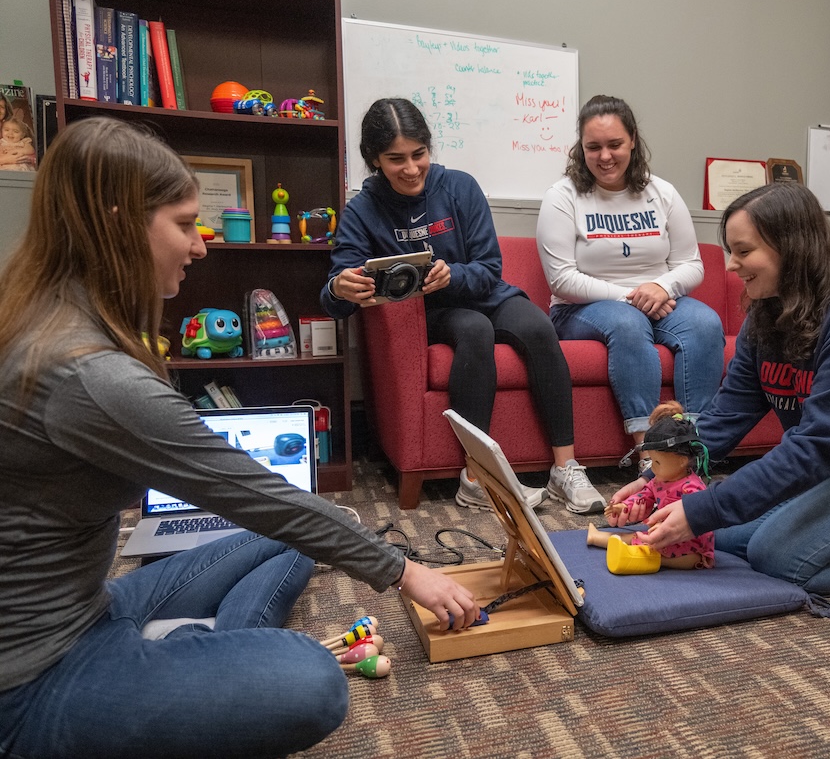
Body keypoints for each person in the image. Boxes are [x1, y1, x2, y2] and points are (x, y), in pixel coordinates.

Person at [0, 117, 481, 759]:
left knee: (301, 534)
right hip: (34, 680)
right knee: (313, 679)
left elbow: (272, 509)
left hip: (93, 608)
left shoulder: (51, 318)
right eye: (183, 223)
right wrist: (403, 571)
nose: (200, 245)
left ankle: (188, 661)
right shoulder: (87, 372)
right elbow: (254, 490)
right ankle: (190, 666)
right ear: (118, 224)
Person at [608, 182, 830, 595]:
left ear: (793, 248)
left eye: (744, 251)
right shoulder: (768, 309)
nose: (731, 265)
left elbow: (816, 446)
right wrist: (655, 475)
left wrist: (703, 509)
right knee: (721, 537)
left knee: (776, 557)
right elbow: (729, 414)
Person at [321, 98, 604, 514]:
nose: (411, 168)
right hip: (431, 314)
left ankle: (566, 469)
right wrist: (340, 288)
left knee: (539, 327)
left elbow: (490, 267)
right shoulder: (362, 210)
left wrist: (454, 274)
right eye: (395, 159)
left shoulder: (460, 187)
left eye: (418, 154)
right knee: (474, 330)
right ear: (373, 160)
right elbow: (335, 292)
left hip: (484, 294)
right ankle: (477, 480)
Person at [536, 95, 725, 454]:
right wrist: (634, 297)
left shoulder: (662, 192)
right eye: (593, 147)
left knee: (705, 323)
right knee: (627, 322)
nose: (604, 156)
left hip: (660, 300)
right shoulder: (563, 197)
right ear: (581, 148)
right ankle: (649, 452)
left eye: (614, 144)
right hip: (582, 309)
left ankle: (693, 449)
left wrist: (661, 286)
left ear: (633, 140)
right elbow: (561, 279)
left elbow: (692, 264)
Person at [587, 401, 714, 570]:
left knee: (687, 557)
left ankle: (649, 559)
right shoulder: (659, 480)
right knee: (636, 536)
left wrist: (665, 526)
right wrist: (624, 506)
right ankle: (596, 537)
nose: (652, 467)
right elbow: (644, 495)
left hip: (689, 542)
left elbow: (693, 517)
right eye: (652, 460)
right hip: (661, 535)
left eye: (657, 462)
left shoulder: (691, 488)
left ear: (682, 461)